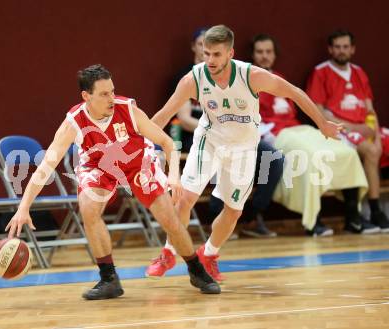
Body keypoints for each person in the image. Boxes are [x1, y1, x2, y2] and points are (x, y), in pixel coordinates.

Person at [5, 64, 220, 300]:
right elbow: (46, 166)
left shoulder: (128, 110)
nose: (112, 98)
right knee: (87, 208)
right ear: (86, 97)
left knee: (169, 219)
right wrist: (23, 207)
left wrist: (174, 176)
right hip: (99, 166)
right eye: (104, 94)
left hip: (138, 161)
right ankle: (109, 279)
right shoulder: (73, 122)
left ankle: (196, 269)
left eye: (113, 91)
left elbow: (167, 142)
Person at [146, 25, 341, 281]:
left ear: (230, 53)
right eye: (206, 53)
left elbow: (295, 92)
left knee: (234, 210)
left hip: (243, 147)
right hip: (210, 141)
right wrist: (142, 143)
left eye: (216, 54)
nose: (210, 60)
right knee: (184, 199)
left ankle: (210, 253)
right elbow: (163, 114)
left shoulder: (251, 75)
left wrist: (322, 123)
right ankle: (169, 253)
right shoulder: (194, 78)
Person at [251, 33, 378, 236]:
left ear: (275, 55)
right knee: (309, 156)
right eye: (260, 52)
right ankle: (313, 220)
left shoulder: (279, 78)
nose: (265, 56)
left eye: (269, 52)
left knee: (344, 150)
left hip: (297, 128)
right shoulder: (248, 80)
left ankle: (353, 217)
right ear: (253, 55)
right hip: (273, 133)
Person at [175, 28, 283, 238]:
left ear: (227, 52)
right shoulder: (189, 77)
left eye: (216, 52)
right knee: (219, 155)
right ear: (196, 47)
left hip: (236, 135)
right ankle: (217, 213)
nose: (209, 55)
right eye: (204, 48)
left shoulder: (238, 74)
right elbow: (184, 119)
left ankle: (250, 215)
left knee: (274, 158)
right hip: (202, 134)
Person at [306, 29, 389, 233]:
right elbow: (318, 110)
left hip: (365, 127)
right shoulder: (321, 72)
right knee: (370, 152)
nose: (341, 51)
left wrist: (376, 134)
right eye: (337, 47)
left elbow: (370, 108)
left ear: (352, 49)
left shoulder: (359, 72)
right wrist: (353, 128)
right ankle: (376, 210)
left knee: (376, 147)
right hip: (341, 128)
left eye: (345, 47)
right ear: (330, 49)